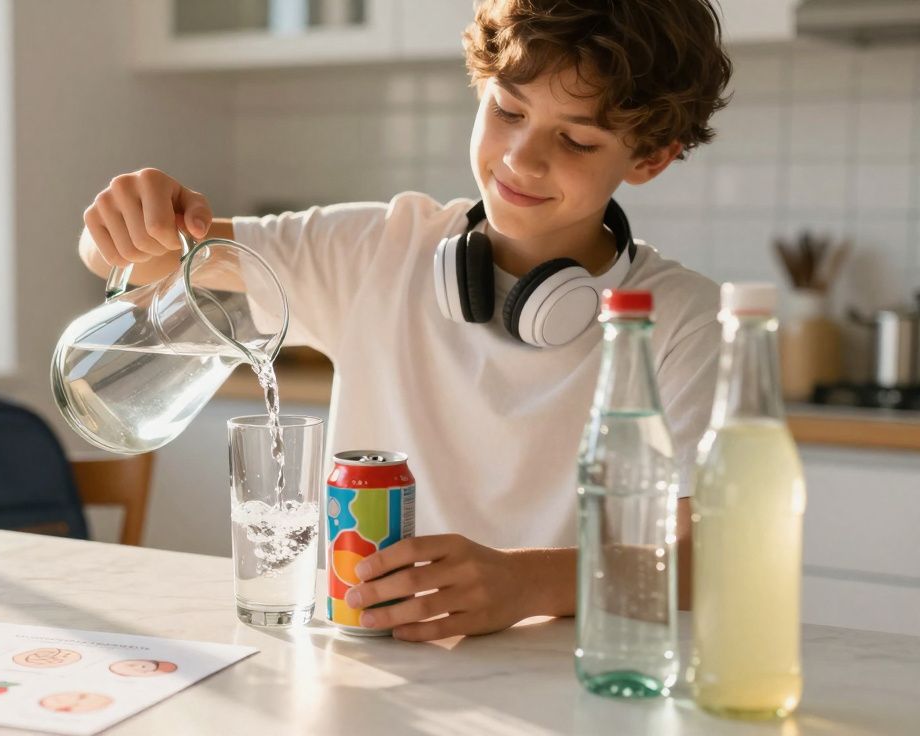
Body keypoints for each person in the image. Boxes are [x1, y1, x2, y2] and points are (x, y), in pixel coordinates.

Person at [76, 0, 732, 641]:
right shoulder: (379, 250)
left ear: (649, 158)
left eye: (577, 139)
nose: (521, 158)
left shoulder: (683, 318)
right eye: (508, 110)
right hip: (374, 669)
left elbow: (706, 557)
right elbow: (140, 260)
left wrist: (530, 583)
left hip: (571, 683)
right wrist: (128, 219)